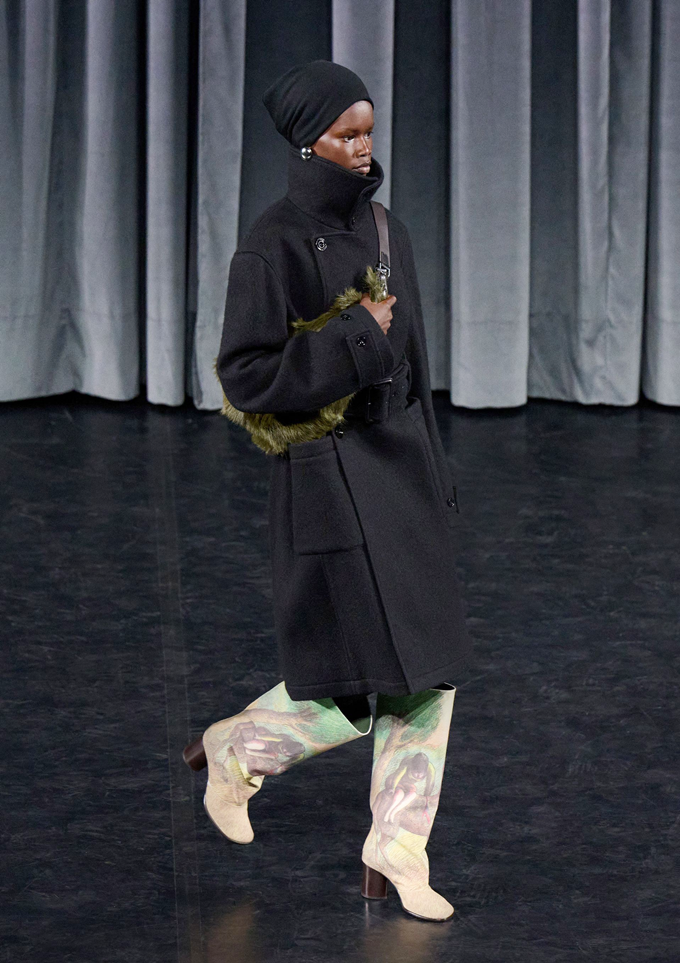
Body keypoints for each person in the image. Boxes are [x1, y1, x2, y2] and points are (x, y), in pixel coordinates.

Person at [183, 59, 473, 922]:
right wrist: (351, 336)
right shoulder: (270, 243)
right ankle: (239, 749)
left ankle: (398, 846)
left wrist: (436, 470)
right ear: (307, 141)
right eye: (346, 134)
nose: (362, 147)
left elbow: (415, 363)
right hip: (329, 479)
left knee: (431, 674)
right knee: (348, 686)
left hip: (401, 471)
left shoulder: (386, 228)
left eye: (368, 131)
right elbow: (245, 375)